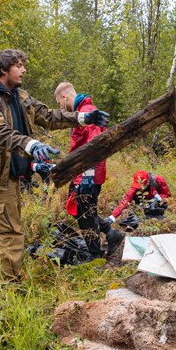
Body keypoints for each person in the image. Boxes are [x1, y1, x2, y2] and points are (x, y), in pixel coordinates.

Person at [0, 49, 109, 283]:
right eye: (19, 65)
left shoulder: (19, 96)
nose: (23, 70)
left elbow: (49, 116)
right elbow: (0, 133)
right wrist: (31, 145)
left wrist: (82, 118)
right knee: (11, 233)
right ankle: (9, 288)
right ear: (4, 69)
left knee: (4, 223)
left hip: (10, 174)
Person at [55, 82, 125, 261]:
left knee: (85, 214)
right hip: (80, 172)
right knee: (82, 210)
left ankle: (95, 255)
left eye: (59, 104)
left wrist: (86, 177)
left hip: (87, 174)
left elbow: (95, 146)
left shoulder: (88, 111)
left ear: (65, 97)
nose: (60, 108)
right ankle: (110, 233)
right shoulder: (81, 114)